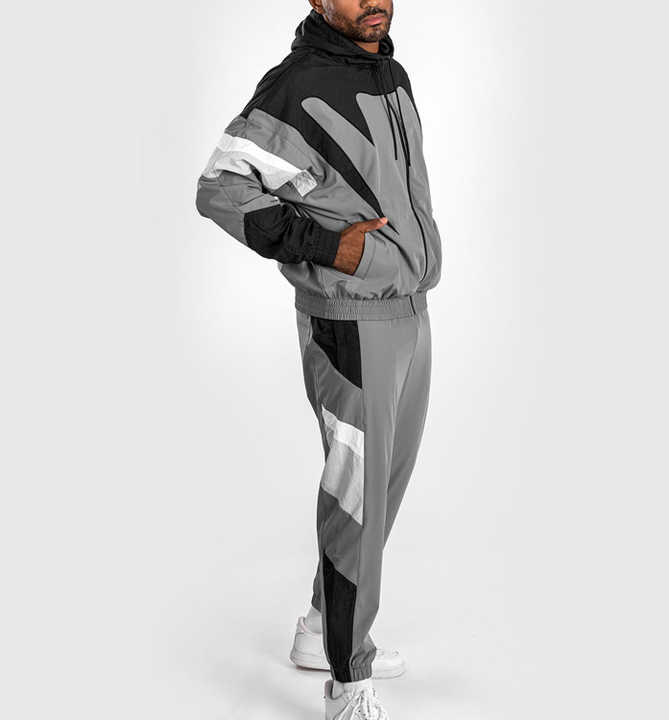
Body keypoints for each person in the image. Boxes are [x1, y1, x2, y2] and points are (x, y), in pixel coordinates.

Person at [195, 2, 442, 717]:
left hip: (410, 309)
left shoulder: (391, 72)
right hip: (348, 321)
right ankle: (348, 679)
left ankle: (319, 629)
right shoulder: (296, 86)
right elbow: (220, 189)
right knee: (356, 498)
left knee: (383, 487)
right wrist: (334, 248)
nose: (374, 0)